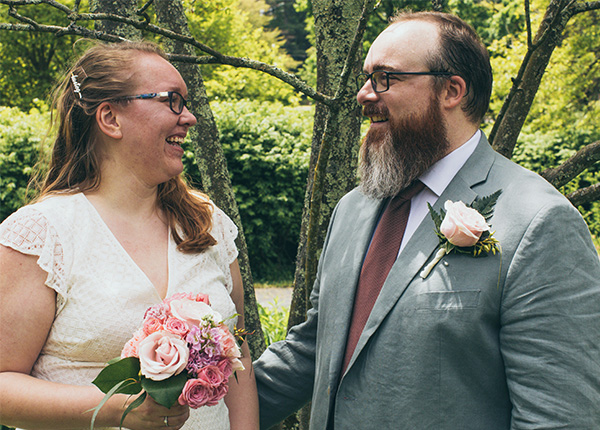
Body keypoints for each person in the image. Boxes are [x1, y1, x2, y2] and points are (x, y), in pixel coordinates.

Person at [253, 11, 600, 429]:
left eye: (386, 78)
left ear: (452, 90)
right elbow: (313, 350)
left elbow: (560, 418)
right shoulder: (352, 208)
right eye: (366, 77)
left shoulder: (539, 223)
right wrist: (191, 406)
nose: (364, 94)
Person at [0, 41, 258, 430]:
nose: (188, 117)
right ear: (110, 118)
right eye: (172, 100)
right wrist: (115, 407)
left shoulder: (208, 225)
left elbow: (239, 355)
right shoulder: (42, 234)